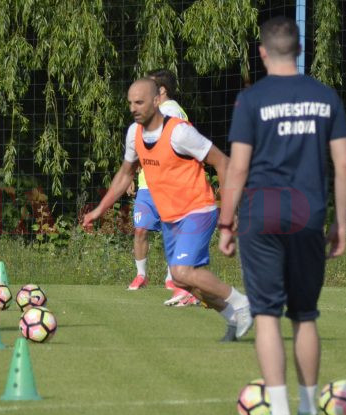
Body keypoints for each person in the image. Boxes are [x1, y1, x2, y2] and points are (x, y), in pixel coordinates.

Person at [219, 16, 346, 415]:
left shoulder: (251, 100)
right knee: (305, 316)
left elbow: (238, 168)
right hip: (307, 214)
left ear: (262, 52)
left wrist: (226, 222)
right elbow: (345, 163)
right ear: (298, 50)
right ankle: (309, 413)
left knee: (266, 316)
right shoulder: (325, 96)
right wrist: (341, 223)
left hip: (262, 213)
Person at [82, 78, 252, 341]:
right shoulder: (133, 134)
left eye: (139, 102)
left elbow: (224, 162)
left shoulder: (179, 132)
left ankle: (242, 304)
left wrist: (230, 212)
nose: (133, 108)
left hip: (198, 209)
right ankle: (232, 315)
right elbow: (125, 174)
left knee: (182, 272)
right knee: (182, 281)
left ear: (156, 100)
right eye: (130, 103)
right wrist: (99, 210)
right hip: (170, 215)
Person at [126, 69, 199, 307]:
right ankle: (141, 275)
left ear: (161, 91)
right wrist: (131, 172)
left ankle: (172, 278)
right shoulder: (155, 112)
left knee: (173, 232)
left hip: (168, 186)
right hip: (147, 186)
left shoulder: (172, 111)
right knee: (140, 229)